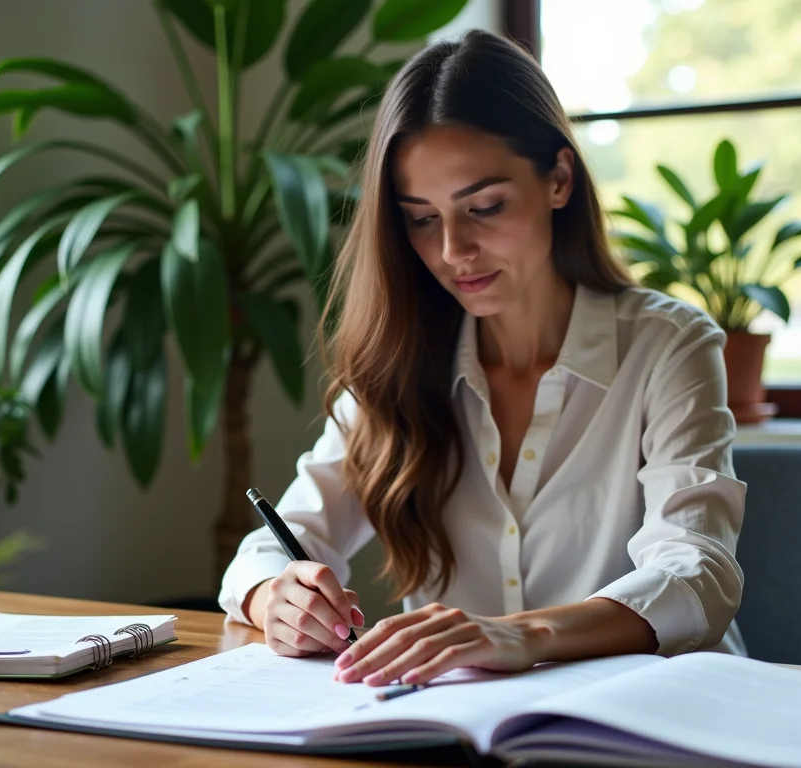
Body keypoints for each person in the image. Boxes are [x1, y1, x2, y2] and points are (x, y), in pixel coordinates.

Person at [218, 28, 746, 688]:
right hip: (464, 732)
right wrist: (279, 599)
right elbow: (270, 547)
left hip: (658, 720)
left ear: (558, 179)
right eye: (420, 218)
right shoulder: (398, 365)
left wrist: (521, 634)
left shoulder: (668, 346)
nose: (452, 250)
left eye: (485, 207)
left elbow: (697, 574)